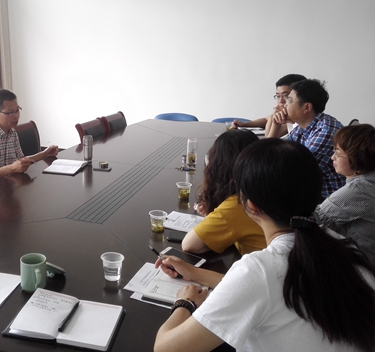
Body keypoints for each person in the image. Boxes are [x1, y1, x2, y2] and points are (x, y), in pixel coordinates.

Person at [154, 139, 375, 352]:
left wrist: (185, 302)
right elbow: (262, 289)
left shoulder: (260, 270)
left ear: (251, 206)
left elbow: (166, 348)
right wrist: (194, 273)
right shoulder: (342, 246)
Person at [182, 130, 265, 256]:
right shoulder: (265, 188)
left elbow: (189, 245)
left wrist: (219, 221)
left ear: (218, 166)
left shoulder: (239, 204)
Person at [0, 89, 59, 192]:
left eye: (17, 110)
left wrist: (45, 154)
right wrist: (12, 168)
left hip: (8, 186)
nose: (16, 116)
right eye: (10, 113)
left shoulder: (12, 132)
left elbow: (21, 161)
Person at [267, 78, 345, 199]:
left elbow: (292, 172)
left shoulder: (325, 131)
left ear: (307, 107)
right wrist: (275, 124)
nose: (284, 105)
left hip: (326, 198)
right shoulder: (304, 127)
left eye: (289, 100)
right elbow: (271, 153)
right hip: (307, 190)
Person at [314, 124, 375, 268]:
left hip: (364, 268)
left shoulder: (359, 189)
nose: (332, 157)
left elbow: (314, 220)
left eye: (338, 153)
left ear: (357, 158)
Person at [233, 73, 306, 137]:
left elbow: (268, 138)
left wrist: (274, 115)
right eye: (278, 96)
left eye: (286, 96)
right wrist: (244, 124)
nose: (280, 101)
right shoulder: (289, 116)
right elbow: (266, 120)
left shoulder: (297, 119)